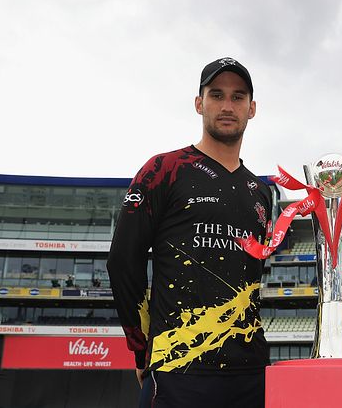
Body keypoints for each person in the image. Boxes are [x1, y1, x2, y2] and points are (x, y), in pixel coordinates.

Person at [107, 57, 272, 408]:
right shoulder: (163, 169)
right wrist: (142, 349)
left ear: (252, 108)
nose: (227, 106)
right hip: (178, 368)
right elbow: (123, 262)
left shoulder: (260, 191)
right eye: (217, 95)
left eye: (238, 97)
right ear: (200, 103)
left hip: (252, 374)